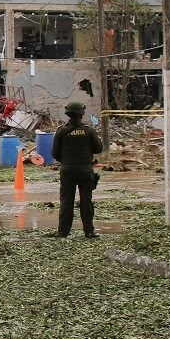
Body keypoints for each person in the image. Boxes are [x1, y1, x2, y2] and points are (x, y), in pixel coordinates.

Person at [49, 101, 104, 238]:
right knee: (86, 200)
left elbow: (54, 153)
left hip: (67, 170)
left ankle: (63, 232)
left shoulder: (61, 131)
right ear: (81, 113)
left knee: (66, 201)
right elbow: (98, 149)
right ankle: (89, 231)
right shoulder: (88, 130)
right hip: (85, 170)